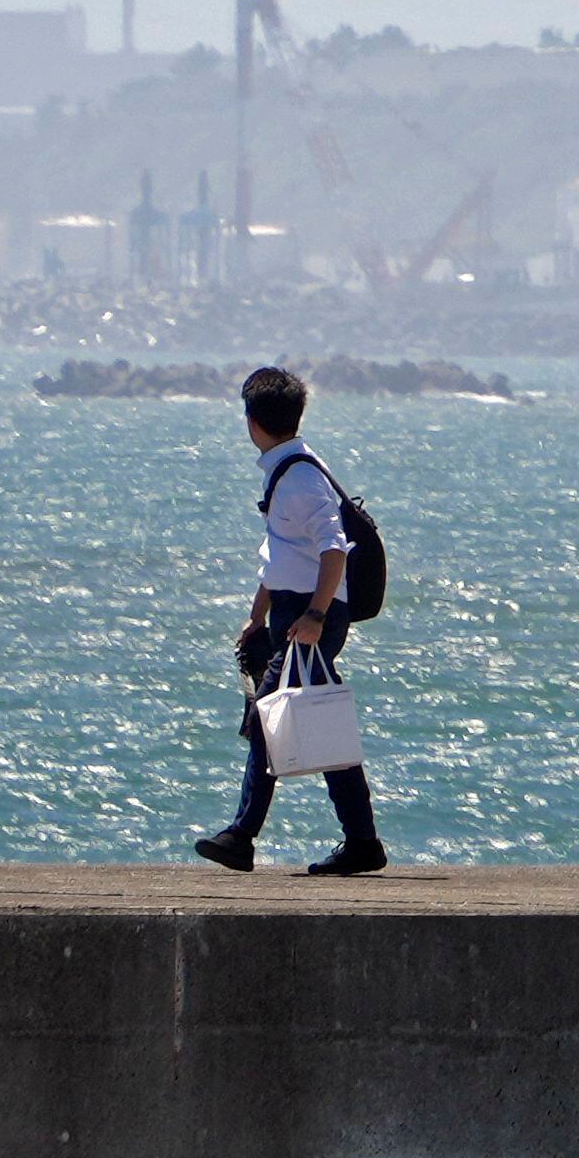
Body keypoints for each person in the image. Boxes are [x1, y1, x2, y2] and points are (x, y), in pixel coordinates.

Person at [194, 367, 388, 876]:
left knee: (266, 714)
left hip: (311, 615)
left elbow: (333, 548)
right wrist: (259, 613)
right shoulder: (290, 470)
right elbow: (286, 554)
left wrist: (316, 616)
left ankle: (242, 836)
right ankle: (363, 842)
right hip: (294, 611)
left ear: (252, 421)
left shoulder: (299, 478)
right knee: (321, 720)